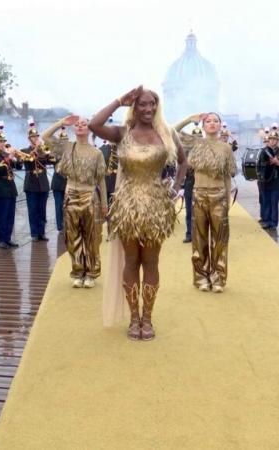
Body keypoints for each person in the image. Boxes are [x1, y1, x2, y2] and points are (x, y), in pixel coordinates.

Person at [89, 86, 187, 340]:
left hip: (156, 207)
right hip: (127, 206)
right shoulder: (123, 133)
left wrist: (176, 188)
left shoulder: (167, 134)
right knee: (131, 261)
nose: (148, 109)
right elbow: (94, 124)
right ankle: (134, 318)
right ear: (135, 106)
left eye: (152, 104)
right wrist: (119, 100)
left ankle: (148, 318)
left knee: (151, 262)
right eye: (142, 104)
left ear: (157, 106)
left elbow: (184, 162)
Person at [42, 115, 108, 288]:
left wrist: (104, 204)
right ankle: (78, 272)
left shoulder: (97, 153)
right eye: (77, 124)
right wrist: (60, 123)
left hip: (89, 196)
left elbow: (101, 180)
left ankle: (91, 273)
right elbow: (45, 137)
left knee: (92, 237)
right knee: (72, 236)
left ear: (89, 128)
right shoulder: (67, 147)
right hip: (71, 194)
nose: (80, 126)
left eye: (84, 124)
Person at [181, 112, 236, 292]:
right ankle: (201, 277)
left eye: (215, 121)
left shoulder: (226, 148)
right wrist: (190, 119)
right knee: (199, 239)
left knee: (220, 240)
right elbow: (171, 132)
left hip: (219, 194)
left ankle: (218, 278)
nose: (212, 124)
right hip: (199, 194)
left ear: (220, 125)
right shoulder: (195, 144)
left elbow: (227, 177)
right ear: (203, 126)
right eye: (208, 121)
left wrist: (227, 201)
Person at [21, 121, 53, 242]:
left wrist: (44, 151)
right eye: (33, 137)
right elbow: (26, 160)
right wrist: (34, 150)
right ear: (29, 139)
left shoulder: (43, 150)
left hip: (43, 184)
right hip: (31, 184)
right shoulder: (24, 150)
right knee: (33, 209)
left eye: (36, 136)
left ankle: (42, 232)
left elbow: (50, 160)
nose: (35, 138)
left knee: (42, 209)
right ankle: (34, 233)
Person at [174, 117, 202, 243]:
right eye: (196, 137)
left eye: (200, 136)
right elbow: (175, 130)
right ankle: (190, 234)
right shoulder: (187, 145)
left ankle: (203, 235)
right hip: (191, 180)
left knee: (204, 209)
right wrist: (190, 120)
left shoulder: (209, 145)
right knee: (190, 209)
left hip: (205, 181)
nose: (198, 139)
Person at [256, 130, 279, 230]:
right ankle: (266, 220)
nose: (272, 141)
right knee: (266, 201)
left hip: (276, 181)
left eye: (274, 139)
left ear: (277, 141)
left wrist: (278, 163)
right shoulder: (264, 151)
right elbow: (260, 164)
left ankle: (273, 223)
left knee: (274, 202)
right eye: (271, 139)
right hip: (266, 181)